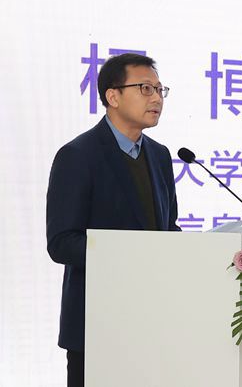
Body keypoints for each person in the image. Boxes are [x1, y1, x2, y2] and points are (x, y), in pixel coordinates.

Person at [46, 53, 179, 387]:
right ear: (113, 96)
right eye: (145, 88)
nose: (157, 98)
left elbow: (166, 228)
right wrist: (127, 253)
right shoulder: (78, 155)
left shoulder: (160, 155)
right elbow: (62, 242)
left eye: (160, 90)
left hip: (153, 323)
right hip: (98, 325)